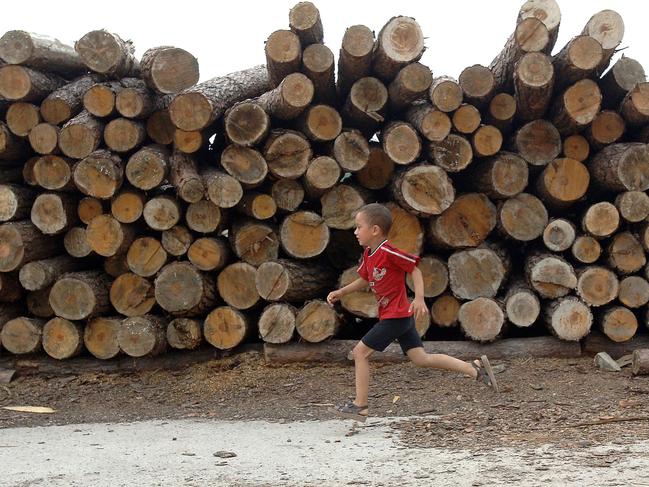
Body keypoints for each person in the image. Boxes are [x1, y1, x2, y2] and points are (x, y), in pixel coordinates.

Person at [326, 203, 498, 421]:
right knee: (421, 358)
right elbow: (364, 279)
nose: (355, 231)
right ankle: (474, 369)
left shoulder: (389, 252)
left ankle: (360, 406)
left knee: (360, 353)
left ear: (375, 230)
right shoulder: (369, 253)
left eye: (359, 227)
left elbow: (414, 270)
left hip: (395, 317)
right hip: (400, 318)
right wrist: (341, 291)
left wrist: (418, 298)